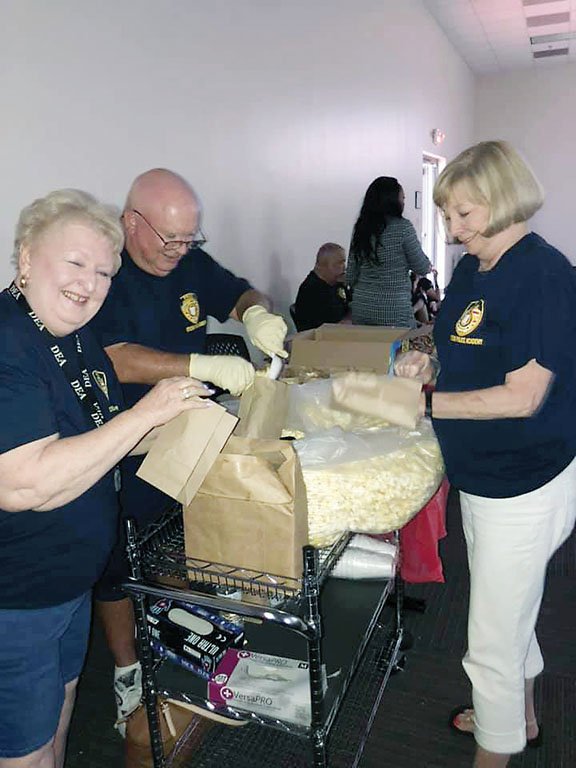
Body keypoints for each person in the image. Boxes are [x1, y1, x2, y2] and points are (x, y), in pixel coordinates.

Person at [0, 189, 210, 768]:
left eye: (103, 272)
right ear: (25, 259)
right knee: (23, 750)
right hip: (17, 599)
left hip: (68, 586)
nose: (89, 283)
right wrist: (147, 412)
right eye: (74, 264)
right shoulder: (8, 341)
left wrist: (187, 426)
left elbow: (101, 440)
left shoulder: (76, 337)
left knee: (58, 722)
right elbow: (24, 484)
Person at [394, 140, 576, 768]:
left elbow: (524, 396)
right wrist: (428, 361)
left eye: (464, 215)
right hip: (484, 475)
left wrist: (424, 403)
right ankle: (517, 719)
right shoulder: (475, 268)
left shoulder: (547, 277)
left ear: (501, 202)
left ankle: (495, 746)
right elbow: (461, 350)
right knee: (510, 605)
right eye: (447, 216)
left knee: (490, 641)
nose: (452, 230)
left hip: (525, 480)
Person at [90, 168, 289, 732]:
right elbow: (116, 356)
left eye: (189, 239)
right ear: (132, 223)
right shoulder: (109, 269)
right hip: (124, 438)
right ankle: (128, 671)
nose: (179, 251)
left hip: (185, 430)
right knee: (118, 565)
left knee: (185, 541)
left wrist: (256, 312)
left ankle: (194, 644)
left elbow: (239, 289)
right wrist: (198, 365)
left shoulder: (188, 262)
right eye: (168, 239)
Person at [347, 176, 431, 327]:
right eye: (402, 198)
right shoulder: (403, 228)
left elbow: (350, 276)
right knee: (403, 348)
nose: (404, 202)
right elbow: (422, 267)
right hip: (394, 312)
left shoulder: (361, 228)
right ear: (392, 200)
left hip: (362, 309)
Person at [293, 242, 350, 331]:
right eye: (338, 264)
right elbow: (325, 328)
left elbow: (351, 305)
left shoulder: (337, 282)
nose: (344, 267)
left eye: (344, 262)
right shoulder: (312, 290)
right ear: (321, 266)